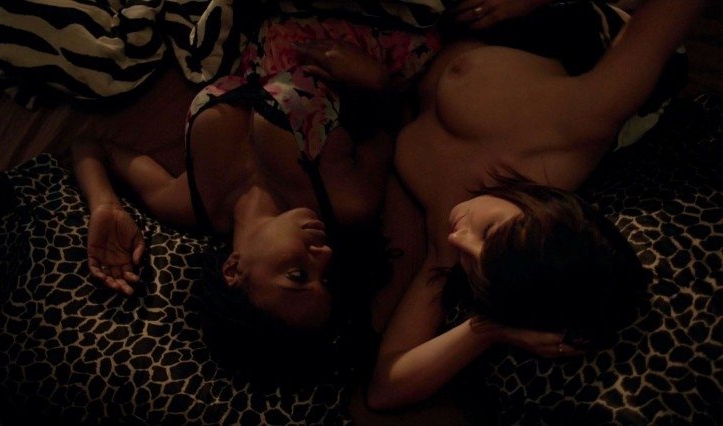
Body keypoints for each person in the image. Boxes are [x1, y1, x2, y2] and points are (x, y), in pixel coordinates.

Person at [348, 0, 706, 410]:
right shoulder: (579, 122)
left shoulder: (454, 246)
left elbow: (386, 388)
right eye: (489, 232)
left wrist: (488, 330)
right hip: (554, 26)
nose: (459, 239)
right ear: (543, 213)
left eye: (475, 266)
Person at [72, 14, 439, 334]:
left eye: (298, 274)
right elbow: (395, 117)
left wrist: (105, 205)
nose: (324, 253)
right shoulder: (347, 201)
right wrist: (374, 79)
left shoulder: (188, 202)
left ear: (233, 269)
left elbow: (90, 147)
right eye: (326, 276)